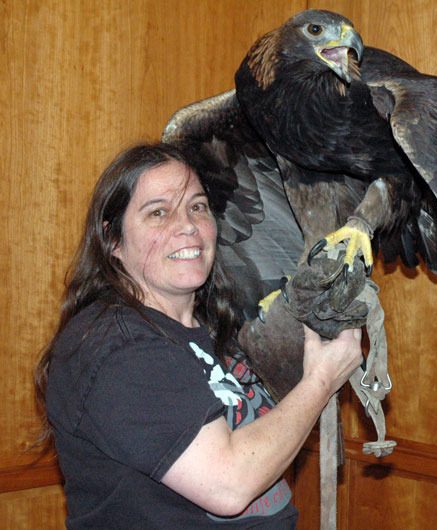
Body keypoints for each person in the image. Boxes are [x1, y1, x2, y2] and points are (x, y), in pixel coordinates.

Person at [34, 143, 363, 528]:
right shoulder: (115, 345)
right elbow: (229, 485)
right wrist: (321, 381)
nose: (187, 226)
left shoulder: (214, 327)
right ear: (113, 241)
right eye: (158, 213)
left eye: (197, 207)